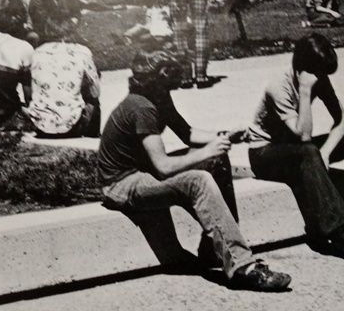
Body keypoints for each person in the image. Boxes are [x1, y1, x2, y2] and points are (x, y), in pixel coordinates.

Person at [98, 50, 291, 291]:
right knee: (199, 180)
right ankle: (242, 266)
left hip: (143, 174)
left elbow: (187, 134)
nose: (175, 86)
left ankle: (217, 248)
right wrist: (207, 151)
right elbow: (164, 166)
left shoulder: (157, 97)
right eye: (171, 81)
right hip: (122, 185)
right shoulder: (141, 107)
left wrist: (223, 137)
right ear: (157, 80)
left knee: (216, 161)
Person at [247, 33, 344, 256]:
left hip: (297, 150)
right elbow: (304, 136)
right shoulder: (278, 85)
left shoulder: (317, 78)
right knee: (309, 151)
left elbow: (342, 118)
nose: (322, 78)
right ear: (303, 68)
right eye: (318, 73)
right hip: (264, 153)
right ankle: (336, 231)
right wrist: (305, 90)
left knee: (312, 153)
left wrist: (326, 153)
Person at [26, 30, 101, 138]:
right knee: (93, 97)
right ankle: (94, 137)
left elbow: (29, 90)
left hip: (40, 126)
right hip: (72, 128)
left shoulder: (37, 52)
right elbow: (96, 92)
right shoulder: (82, 52)